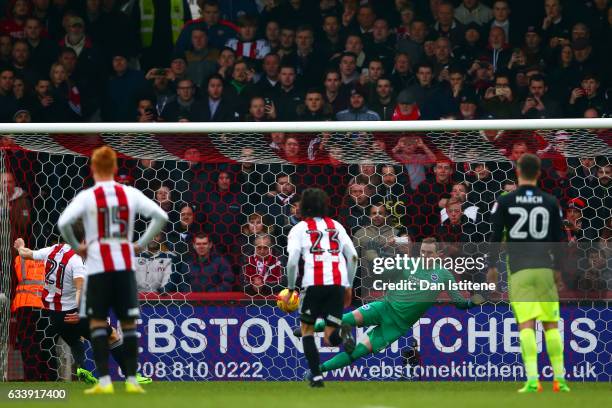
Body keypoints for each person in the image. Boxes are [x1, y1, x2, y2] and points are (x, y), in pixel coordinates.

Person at [57, 146, 168, 394]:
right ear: (116, 168)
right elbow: (160, 216)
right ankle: (131, 380)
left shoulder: (88, 196)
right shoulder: (129, 193)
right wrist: (139, 243)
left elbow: (63, 222)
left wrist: (78, 247)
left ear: (93, 168)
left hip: (98, 271)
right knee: (128, 325)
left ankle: (104, 382)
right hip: (124, 270)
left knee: (97, 324)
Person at [295, 238, 482, 377]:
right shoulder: (407, 264)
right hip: (384, 307)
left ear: (438, 255)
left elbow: (459, 303)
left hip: (396, 326)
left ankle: (317, 370)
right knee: (344, 320)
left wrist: (473, 302)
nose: (425, 256)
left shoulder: (444, 275)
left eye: (429, 253)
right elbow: (381, 273)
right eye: (423, 252)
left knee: (357, 352)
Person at [13, 225, 152, 386]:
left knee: (74, 340)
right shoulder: (77, 261)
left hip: (54, 313)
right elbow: (80, 290)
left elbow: (27, 254)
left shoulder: (54, 249)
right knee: (112, 335)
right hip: (73, 312)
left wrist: (21, 246)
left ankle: (81, 367)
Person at [487, 153, 569, 393]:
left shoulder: (505, 201)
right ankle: (560, 380)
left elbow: (495, 236)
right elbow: (559, 239)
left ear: (518, 172)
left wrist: (491, 266)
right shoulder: (550, 201)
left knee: (526, 325)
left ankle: (533, 380)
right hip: (545, 268)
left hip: (520, 270)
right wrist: (559, 270)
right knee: (551, 325)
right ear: (540, 173)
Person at [283, 188, 358, 388]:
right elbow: (353, 257)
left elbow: (292, 262)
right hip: (337, 284)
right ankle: (342, 333)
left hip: (313, 285)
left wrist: (291, 288)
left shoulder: (298, 229)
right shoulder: (336, 226)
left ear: (303, 206)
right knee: (329, 337)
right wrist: (348, 285)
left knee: (307, 331)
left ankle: (316, 377)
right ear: (325, 204)